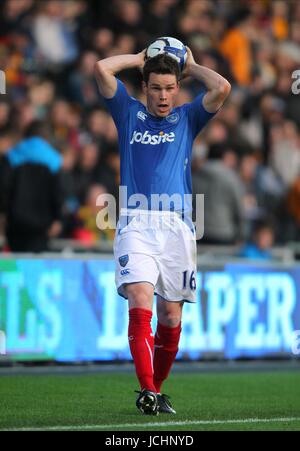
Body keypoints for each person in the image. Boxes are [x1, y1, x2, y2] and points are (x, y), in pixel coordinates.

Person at [94, 45, 231, 415]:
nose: (164, 96)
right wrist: (138, 58)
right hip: (136, 222)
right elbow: (102, 69)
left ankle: (157, 389)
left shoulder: (188, 118)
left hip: (178, 228)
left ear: (178, 87)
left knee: (171, 317)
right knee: (141, 301)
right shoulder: (127, 113)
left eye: (170, 88)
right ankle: (146, 390)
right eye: (156, 88)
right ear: (144, 86)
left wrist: (193, 65)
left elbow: (222, 88)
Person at [0, 120, 63, 252]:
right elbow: (58, 192)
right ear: (47, 137)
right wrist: (58, 218)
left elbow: (4, 188)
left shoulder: (12, 155)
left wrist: (3, 214)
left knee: (17, 261)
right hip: (42, 225)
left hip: (15, 223)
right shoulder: (54, 159)